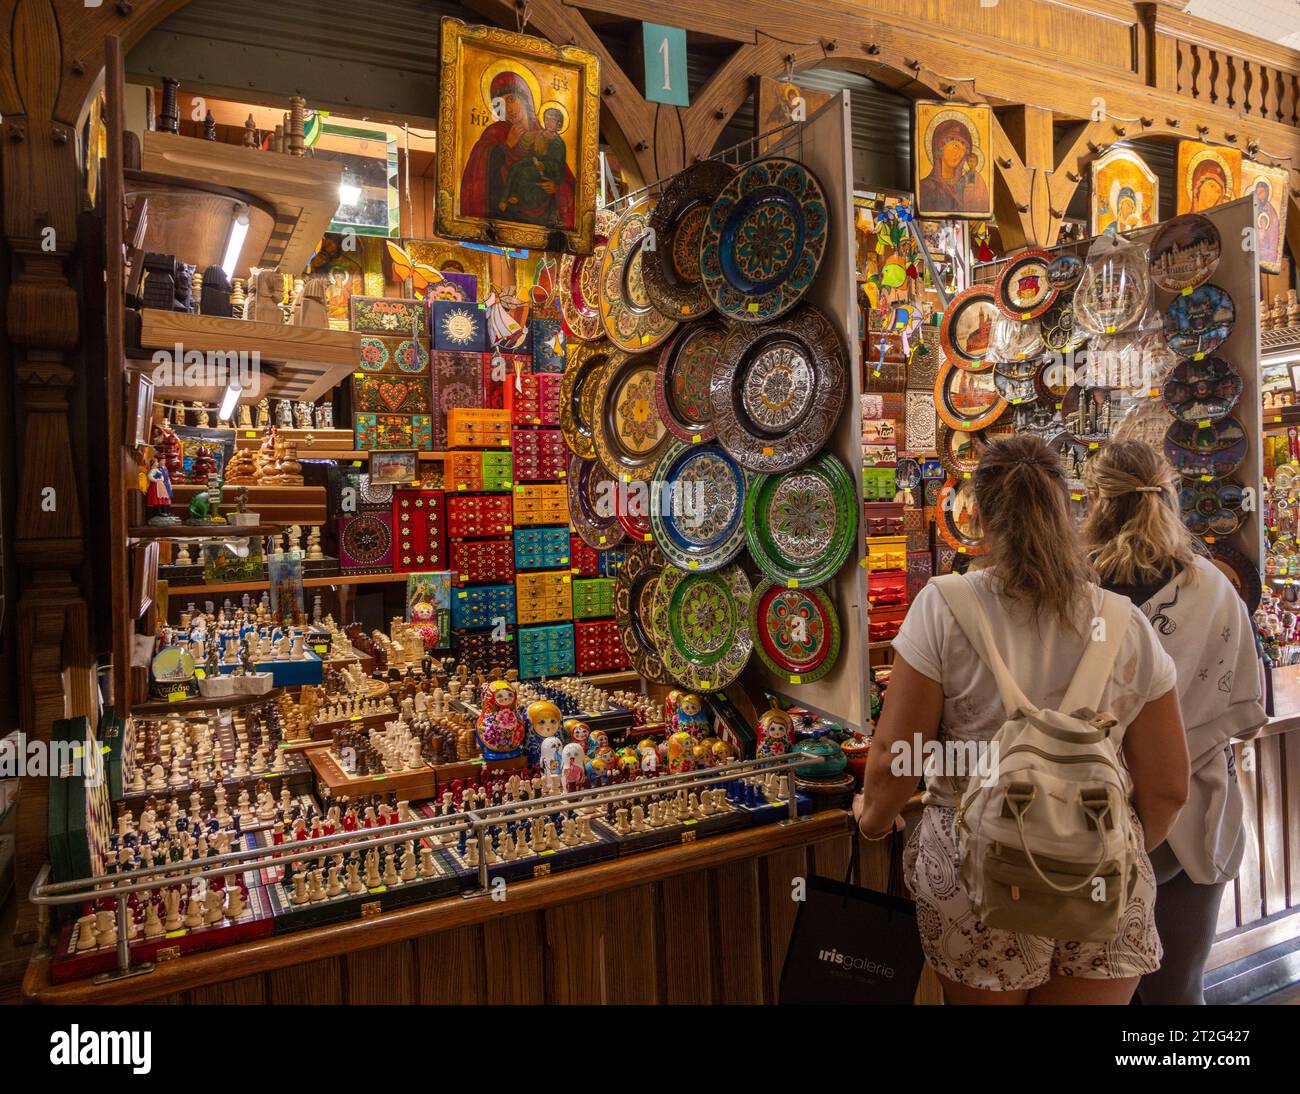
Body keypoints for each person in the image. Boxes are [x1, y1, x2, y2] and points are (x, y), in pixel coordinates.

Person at [855, 434, 1190, 1004]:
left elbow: (894, 763)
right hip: (1102, 879)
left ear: (977, 515)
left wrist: (873, 821)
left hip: (977, 875)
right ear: (1070, 512)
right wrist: (1091, 845)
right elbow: (1167, 788)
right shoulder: (1122, 622)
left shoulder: (944, 606)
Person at [1082, 440, 1265, 1004]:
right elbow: (1249, 713)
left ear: (1094, 503)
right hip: (1194, 814)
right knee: (1178, 992)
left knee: (1094, 989)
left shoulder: (1073, 590)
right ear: (1171, 498)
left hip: (1087, 822)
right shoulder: (1213, 587)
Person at [460, 71, 575, 229]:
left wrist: (556, 188)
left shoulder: (549, 137)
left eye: (511, 99)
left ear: (525, 98)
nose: (509, 109)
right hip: (507, 215)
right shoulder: (496, 133)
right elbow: (478, 175)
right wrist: (505, 146)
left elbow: (565, 178)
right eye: (500, 105)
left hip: (544, 217)